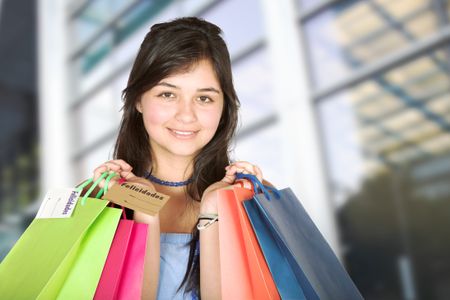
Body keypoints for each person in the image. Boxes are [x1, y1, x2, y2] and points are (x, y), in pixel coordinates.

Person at [91, 17, 264, 299]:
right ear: (137, 100)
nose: (186, 115)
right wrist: (145, 206)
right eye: (168, 94)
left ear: (224, 106)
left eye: (204, 98)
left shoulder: (252, 200)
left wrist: (213, 210)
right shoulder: (97, 200)